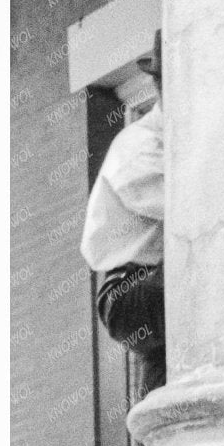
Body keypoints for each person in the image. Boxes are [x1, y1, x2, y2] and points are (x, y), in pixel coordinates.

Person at [82, 32, 167, 395]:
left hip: (154, 282)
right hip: (129, 292)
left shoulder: (184, 141)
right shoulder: (139, 145)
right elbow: (198, 213)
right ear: (163, 84)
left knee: (167, 375)